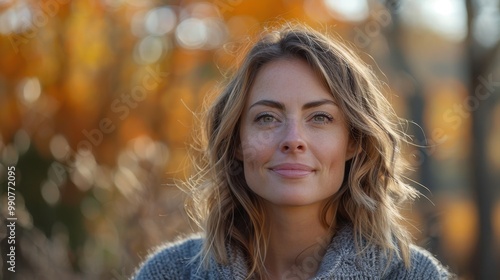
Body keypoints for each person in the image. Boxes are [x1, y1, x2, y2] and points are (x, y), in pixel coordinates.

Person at [133, 23, 452, 279]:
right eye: (267, 118)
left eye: (320, 117)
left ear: (354, 141)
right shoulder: (170, 272)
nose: (293, 139)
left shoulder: (411, 275)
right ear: (236, 142)